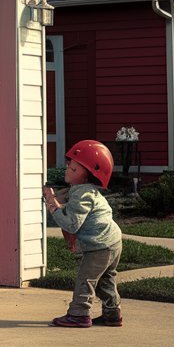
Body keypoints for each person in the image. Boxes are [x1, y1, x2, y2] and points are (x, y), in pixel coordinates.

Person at [42, 140, 123, 328]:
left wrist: (53, 206)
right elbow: (73, 212)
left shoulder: (82, 194)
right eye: (69, 165)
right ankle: (112, 314)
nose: (68, 169)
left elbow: (71, 224)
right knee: (106, 280)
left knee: (85, 279)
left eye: (75, 169)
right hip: (111, 241)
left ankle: (79, 314)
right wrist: (56, 201)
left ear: (88, 176)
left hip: (100, 245)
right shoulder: (84, 191)